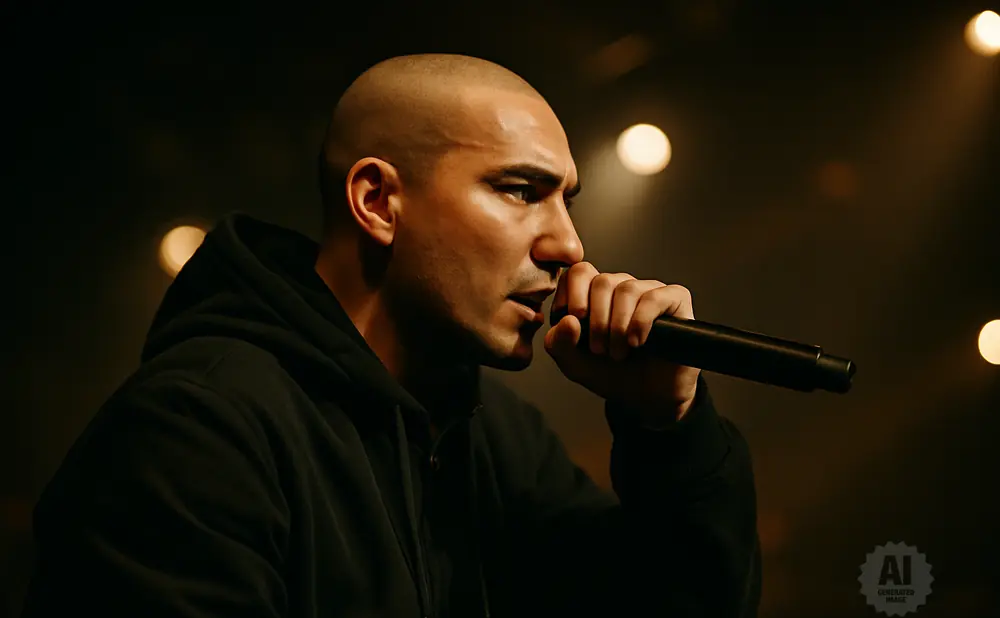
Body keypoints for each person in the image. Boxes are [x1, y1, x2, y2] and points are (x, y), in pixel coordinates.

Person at [21, 54, 761, 617]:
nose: (569, 244)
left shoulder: (493, 436)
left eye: (566, 200)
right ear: (377, 201)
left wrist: (665, 428)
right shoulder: (196, 429)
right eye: (520, 191)